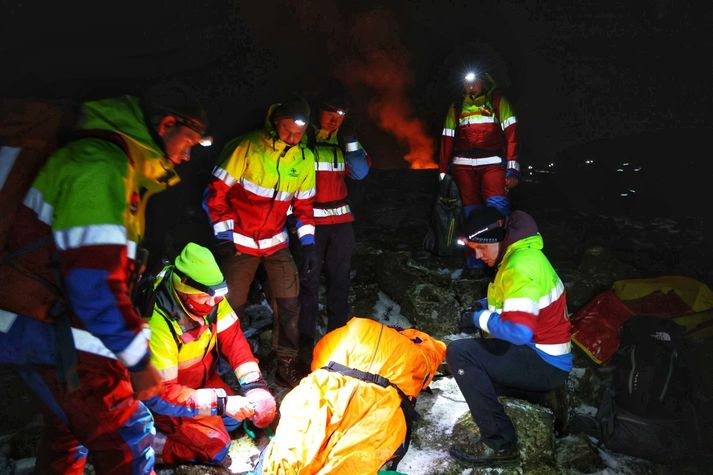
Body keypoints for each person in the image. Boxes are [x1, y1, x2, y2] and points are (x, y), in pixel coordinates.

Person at [0, 82, 210, 474]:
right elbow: (95, 282)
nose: (188, 153)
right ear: (166, 125)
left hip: (48, 326)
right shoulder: (100, 164)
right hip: (49, 331)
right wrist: (137, 359)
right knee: (128, 436)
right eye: (190, 140)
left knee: (68, 433)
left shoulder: (118, 168)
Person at [203, 95, 317, 388]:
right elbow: (215, 194)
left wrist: (307, 244)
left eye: (298, 133)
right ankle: (217, 366)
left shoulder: (304, 159)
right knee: (229, 308)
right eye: (287, 130)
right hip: (240, 243)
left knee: (290, 303)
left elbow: (304, 206)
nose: (292, 138)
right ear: (275, 123)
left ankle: (286, 364)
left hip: (275, 243)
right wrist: (224, 237)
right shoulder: (247, 146)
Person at [447, 206, 572, 466]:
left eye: (481, 248)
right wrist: (484, 306)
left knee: (460, 355)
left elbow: (517, 330)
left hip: (543, 360)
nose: (478, 256)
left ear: (496, 239)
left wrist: (476, 319)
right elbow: (516, 302)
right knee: (479, 373)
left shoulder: (520, 266)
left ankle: (501, 444)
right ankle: (542, 397)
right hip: (547, 356)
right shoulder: (522, 255)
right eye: (473, 250)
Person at [143, 242, 276, 469]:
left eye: (217, 298)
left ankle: (204, 425)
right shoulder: (159, 321)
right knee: (216, 446)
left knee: (235, 420)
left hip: (202, 385)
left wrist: (255, 386)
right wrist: (221, 404)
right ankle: (149, 444)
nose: (214, 304)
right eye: (206, 299)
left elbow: (235, 343)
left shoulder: (213, 301)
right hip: (169, 400)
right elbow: (162, 393)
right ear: (185, 291)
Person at [255, 317, 446, 474]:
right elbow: (431, 363)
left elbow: (320, 356)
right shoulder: (420, 352)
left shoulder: (356, 326)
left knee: (292, 451)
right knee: (350, 462)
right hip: (381, 402)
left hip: (328, 384)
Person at [296, 81, 370, 365]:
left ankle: (336, 347)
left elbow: (360, 173)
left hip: (340, 225)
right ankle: (304, 353)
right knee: (308, 287)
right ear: (318, 111)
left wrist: (349, 139)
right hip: (309, 225)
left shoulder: (343, 139)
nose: (335, 119)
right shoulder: (302, 138)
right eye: (330, 113)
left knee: (339, 285)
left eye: (341, 114)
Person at [438, 70, 519, 268]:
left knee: (498, 211)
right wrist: (442, 172)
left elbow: (512, 136)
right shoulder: (457, 107)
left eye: (475, 82)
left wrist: (513, 169)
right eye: (466, 83)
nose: (470, 87)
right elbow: (447, 138)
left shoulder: (499, 102)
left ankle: (503, 259)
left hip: (493, 165)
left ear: (484, 82)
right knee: (470, 214)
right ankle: (476, 262)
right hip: (463, 168)